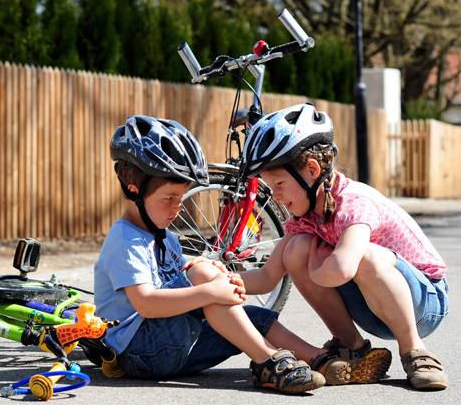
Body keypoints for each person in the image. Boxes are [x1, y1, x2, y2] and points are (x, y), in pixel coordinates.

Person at [94, 115, 366, 394]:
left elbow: (174, 279)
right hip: (140, 351)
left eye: (181, 197)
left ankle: (320, 360)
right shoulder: (125, 239)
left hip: (172, 347)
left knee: (254, 316)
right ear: (133, 190)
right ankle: (267, 360)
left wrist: (209, 273)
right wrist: (211, 290)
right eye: (169, 199)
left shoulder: (166, 237)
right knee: (207, 278)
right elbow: (147, 304)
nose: (178, 207)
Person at [235, 103, 448, 390]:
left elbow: (343, 268)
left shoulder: (354, 203)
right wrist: (215, 280)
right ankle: (353, 348)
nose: (275, 195)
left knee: (365, 257)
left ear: (312, 170)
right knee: (296, 248)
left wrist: (314, 268)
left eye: (280, 183)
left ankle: (415, 352)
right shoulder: (305, 215)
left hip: (424, 301)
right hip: (374, 303)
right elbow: (265, 278)